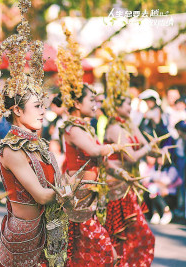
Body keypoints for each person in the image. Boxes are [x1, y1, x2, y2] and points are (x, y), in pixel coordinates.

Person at [0, 2, 76, 266]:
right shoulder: (11, 149)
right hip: (25, 235)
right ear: (16, 109)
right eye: (37, 106)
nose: (43, 111)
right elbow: (41, 195)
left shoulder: (38, 144)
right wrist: (68, 190)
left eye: (43, 105)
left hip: (47, 230)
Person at [52, 25, 129, 266]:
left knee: (89, 252)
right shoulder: (72, 129)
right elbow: (95, 151)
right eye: (91, 101)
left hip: (91, 195)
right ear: (77, 103)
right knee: (104, 252)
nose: (96, 105)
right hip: (78, 197)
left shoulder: (85, 126)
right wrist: (116, 147)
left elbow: (98, 158)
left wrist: (117, 170)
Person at [102, 49, 156, 266]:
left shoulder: (126, 124)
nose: (130, 107)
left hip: (129, 184)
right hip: (117, 184)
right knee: (127, 235)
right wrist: (149, 148)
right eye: (126, 105)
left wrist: (149, 144)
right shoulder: (114, 128)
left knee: (137, 235)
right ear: (116, 107)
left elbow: (144, 144)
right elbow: (134, 156)